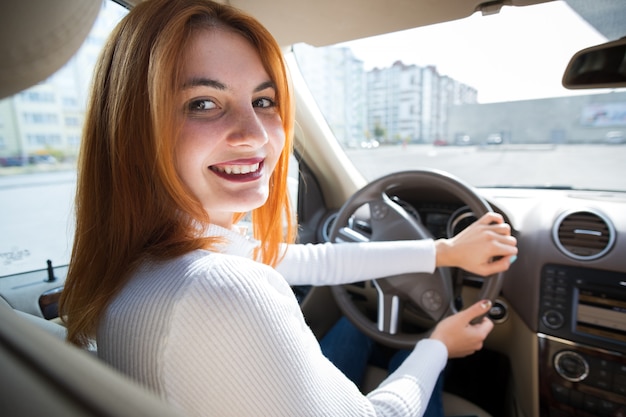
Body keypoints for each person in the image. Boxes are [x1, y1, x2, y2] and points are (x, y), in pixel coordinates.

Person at [59, 0, 518, 416]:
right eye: (202, 103)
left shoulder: (141, 257)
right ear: (131, 129)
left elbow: (316, 259)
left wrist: (444, 252)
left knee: (357, 326)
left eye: (262, 100)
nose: (255, 134)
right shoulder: (222, 289)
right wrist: (437, 347)